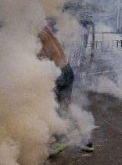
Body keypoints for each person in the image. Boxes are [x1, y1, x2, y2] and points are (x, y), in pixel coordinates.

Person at [38, 23, 93, 153]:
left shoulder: (38, 35)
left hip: (59, 74)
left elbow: (40, 58)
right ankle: (86, 140)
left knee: (55, 108)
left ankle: (61, 140)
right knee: (65, 106)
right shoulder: (46, 30)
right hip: (67, 70)